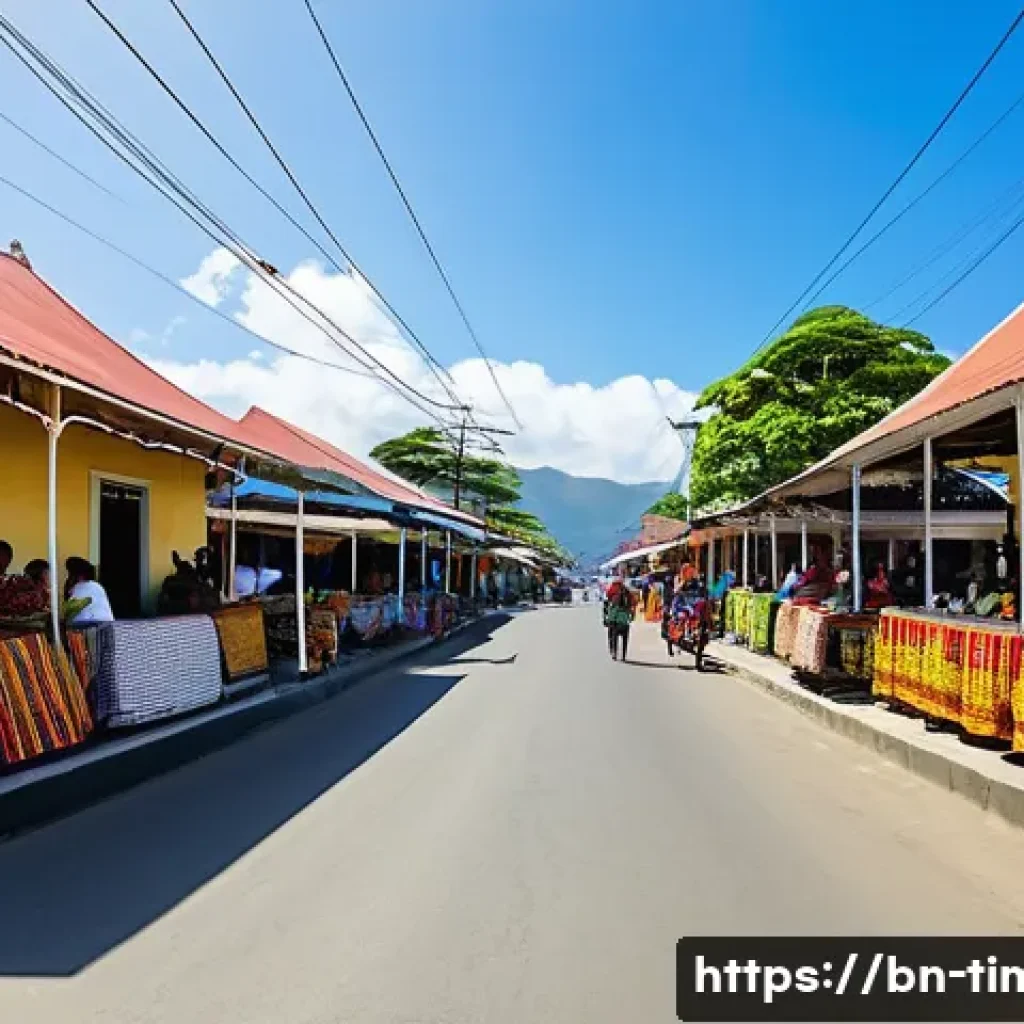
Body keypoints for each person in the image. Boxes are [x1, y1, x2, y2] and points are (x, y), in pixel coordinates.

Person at [64, 556, 114, 624]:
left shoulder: (76, 587)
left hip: (85, 624)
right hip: (107, 622)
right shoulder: (98, 586)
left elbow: (69, 610)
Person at [604, 584, 634, 661]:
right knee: (625, 640)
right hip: (625, 624)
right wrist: (630, 619)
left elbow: (610, 612)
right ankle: (623, 656)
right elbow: (632, 613)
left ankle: (614, 652)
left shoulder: (613, 597)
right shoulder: (628, 599)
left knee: (613, 638)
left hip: (615, 623)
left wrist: (607, 620)